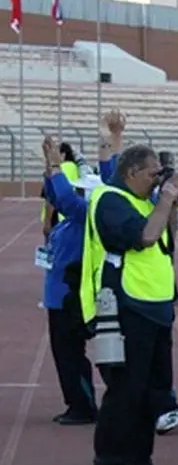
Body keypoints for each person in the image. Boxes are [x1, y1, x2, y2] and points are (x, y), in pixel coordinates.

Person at [81, 145, 178, 465]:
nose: (156, 180)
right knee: (125, 388)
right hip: (124, 306)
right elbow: (145, 237)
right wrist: (165, 198)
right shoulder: (109, 199)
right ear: (131, 173)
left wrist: (170, 201)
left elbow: (166, 236)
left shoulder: (146, 202)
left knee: (151, 389)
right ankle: (108, 463)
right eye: (152, 173)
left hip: (154, 306)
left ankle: (139, 460)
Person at [41, 138, 98, 425]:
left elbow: (63, 197)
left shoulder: (83, 215)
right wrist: (47, 166)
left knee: (71, 354)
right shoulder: (67, 220)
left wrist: (55, 165)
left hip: (70, 295)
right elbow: (54, 195)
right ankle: (75, 402)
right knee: (63, 354)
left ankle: (83, 404)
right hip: (58, 295)